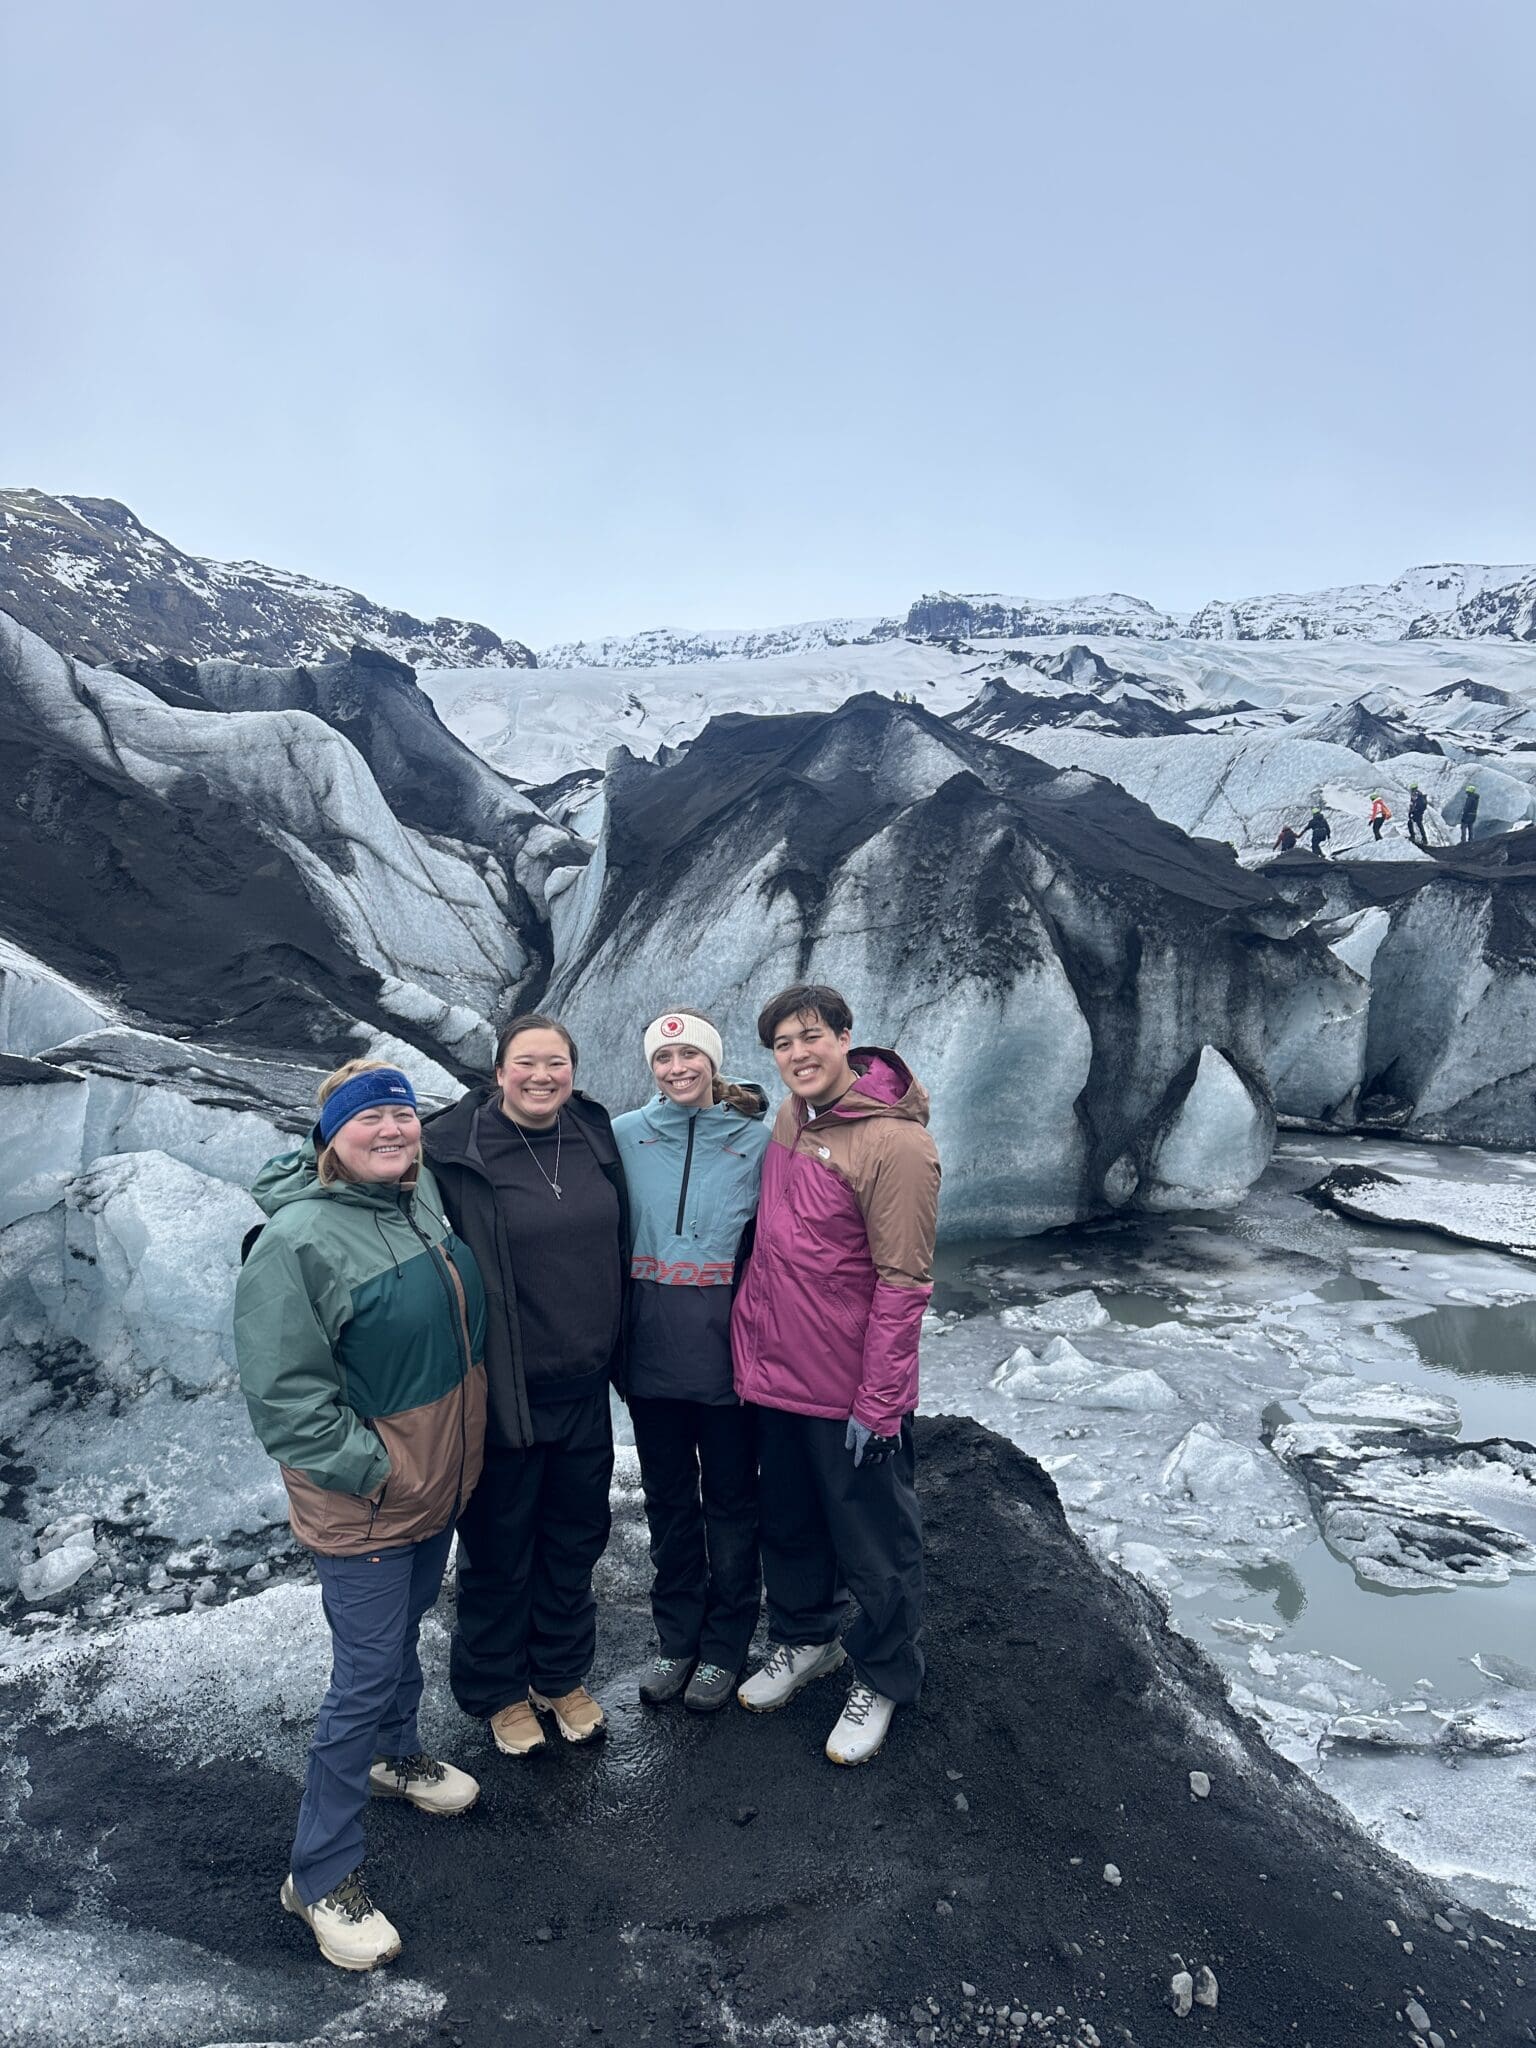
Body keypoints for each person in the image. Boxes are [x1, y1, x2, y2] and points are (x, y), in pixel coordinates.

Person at [234, 1059, 488, 1972]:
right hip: (371, 1500)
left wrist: (431, 1465)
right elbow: (286, 1397)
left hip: (433, 1482)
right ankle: (319, 1874)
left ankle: (395, 1753)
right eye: (367, 1120)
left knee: (400, 1635)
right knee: (364, 1673)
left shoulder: (416, 1199)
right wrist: (376, 1471)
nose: (391, 1131)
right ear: (329, 1139)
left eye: (402, 1116)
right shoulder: (296, 1242)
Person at [732, 983, 941, 1767]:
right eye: (783, 1044)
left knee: (874, 1541)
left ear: (846, 1038)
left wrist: (879, 1404)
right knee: (787, 1522)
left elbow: (903, 1283)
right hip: (778, 1372)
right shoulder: (794, 1115)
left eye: (811, 1036)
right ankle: (804, 1638)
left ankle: (883, 1674)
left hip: (849, 1388)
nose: (798, 1054)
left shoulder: (897, 1146)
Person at [421, 1015, 629, 1756]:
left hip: (585, 1386)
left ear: (574, 1070)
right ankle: (498, 1690)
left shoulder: (595, 1134)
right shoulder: (453, 1149)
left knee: (575, 1539)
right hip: (503, 1390)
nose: (542, 1076)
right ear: (499, 1072)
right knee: (499, 1546)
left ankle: (559, 1675)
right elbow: (362, 1182)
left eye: (556, 1063)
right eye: (525, 1063)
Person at [612, 1008, 771, 1712]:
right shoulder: (624, 1136)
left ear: (712, 1061)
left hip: (729, 1352)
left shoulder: (756, 1141)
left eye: (689, 1056)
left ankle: (725, 1646)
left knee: (732, 1501)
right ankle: (677, 1639)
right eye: (663, 1059)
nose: (677, 1069)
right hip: (650, 1348)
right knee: (670, 1500)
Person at [1407, 784, 1429, 848]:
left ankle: (1415, 837)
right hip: (1417, 813)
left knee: (1415, 824)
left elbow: (1414, 805)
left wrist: (1412, 811)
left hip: (1417, 813)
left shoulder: (1416, 795)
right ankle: (1424, 839)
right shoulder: (1418, 794)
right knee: (1418, 825)